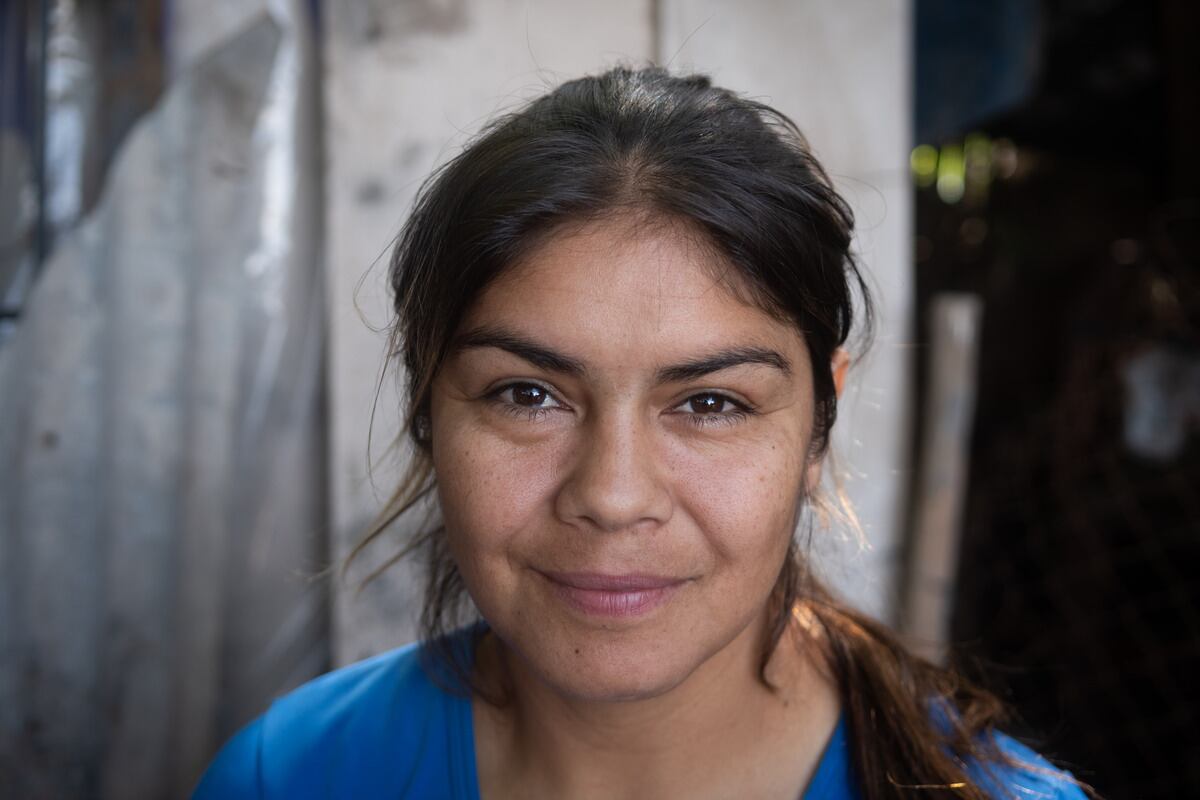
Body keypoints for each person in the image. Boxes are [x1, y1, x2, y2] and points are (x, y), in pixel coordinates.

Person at [194, 67, 1090, 799]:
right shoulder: (289, 778)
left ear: (819, 427)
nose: (613, 497)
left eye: (710, 404)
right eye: (525, 395)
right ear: (429, 414)